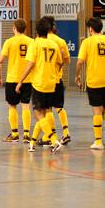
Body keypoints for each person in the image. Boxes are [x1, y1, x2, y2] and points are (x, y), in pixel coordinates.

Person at [17, 18, 65, 153]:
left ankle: (54, 140)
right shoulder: (54, 44)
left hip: (39, 83)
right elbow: (60, 62)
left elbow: (30, 64)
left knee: (37, 113)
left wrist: (20, 81)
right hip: (51, 82)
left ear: (37, 31)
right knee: (43, 114)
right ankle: (32, 143)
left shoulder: (35, 44)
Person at [75, 17, 105, 150]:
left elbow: (80, 62)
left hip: (94, 81)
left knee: (97, 111)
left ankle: (98, 141)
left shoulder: (87, 42)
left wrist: (77, 75)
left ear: (90, 29)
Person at [0, 18, 33, 143]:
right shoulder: (31, 41)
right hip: (28, 79)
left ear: (14, 28)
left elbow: (0, 60)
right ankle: (27, 134)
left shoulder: (9, 42)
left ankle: (14, 134)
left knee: (12, 106)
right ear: (25, 29)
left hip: (13, 78)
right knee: (26, 106)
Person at [38, 16, 71, 146]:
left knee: (47, 109)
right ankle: (66, 133)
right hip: (57, 78)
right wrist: (59, 65)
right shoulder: (60, 41)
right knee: (59, 107)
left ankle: (50, 137)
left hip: (44, 80)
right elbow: (67, 60)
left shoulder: (39, 40)